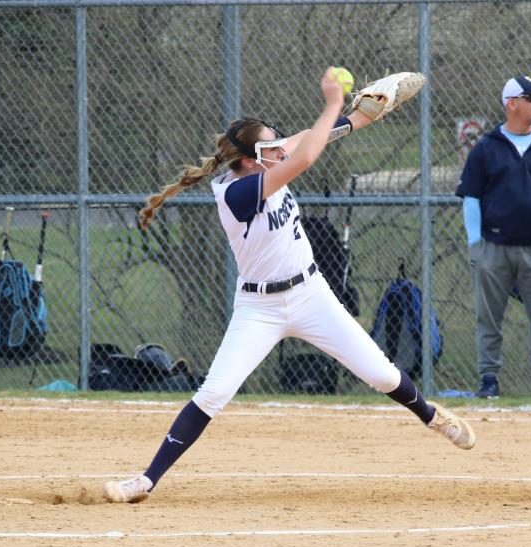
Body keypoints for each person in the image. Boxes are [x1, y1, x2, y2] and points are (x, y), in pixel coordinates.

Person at [104, 69, 476, 504]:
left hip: (310, 295)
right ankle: (146, 480)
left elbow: (317, 138)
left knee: (380, 373)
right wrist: (334, 103)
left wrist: (361, 118)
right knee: (215, 391)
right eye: (271, 145)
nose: (280, 147)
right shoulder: (236, 194)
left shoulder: (270, 159)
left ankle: (433, 418)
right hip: (258, 309)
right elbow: (303, 157)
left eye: (280, 141)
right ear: (249, 159)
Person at [455, 75, 531, 399]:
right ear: (512, 104)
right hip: (494, 248)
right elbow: (472, 197)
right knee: (488, 319)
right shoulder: (487, 148)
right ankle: (488, 379)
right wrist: (475, 243)